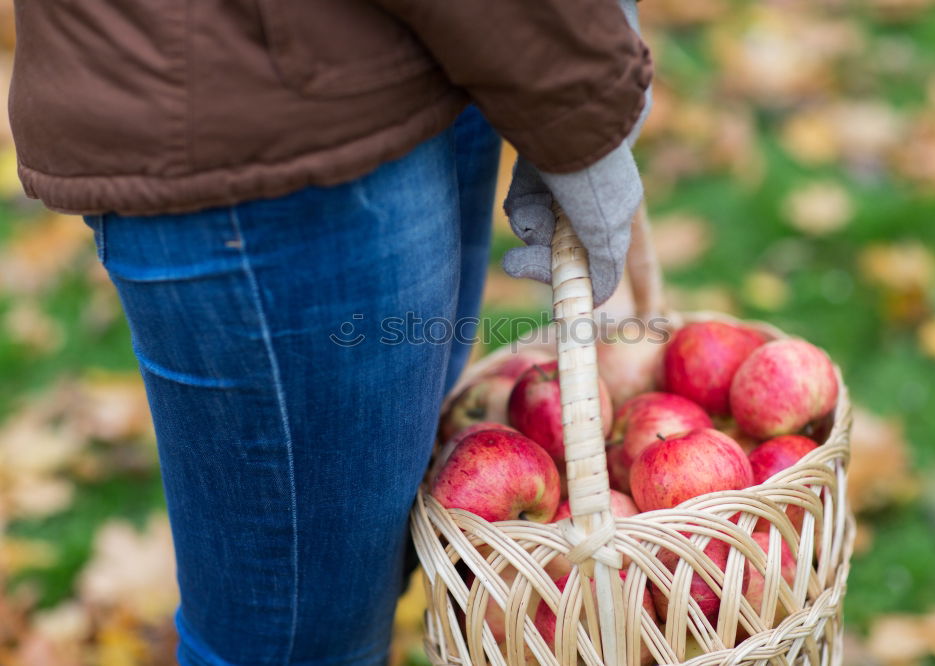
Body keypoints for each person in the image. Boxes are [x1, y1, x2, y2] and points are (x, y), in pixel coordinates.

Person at [8, 1, 652, 664]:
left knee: (358, 568)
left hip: (430, 47)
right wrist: (581, 94)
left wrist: (569, 55)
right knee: (299, 641)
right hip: (260, 102)